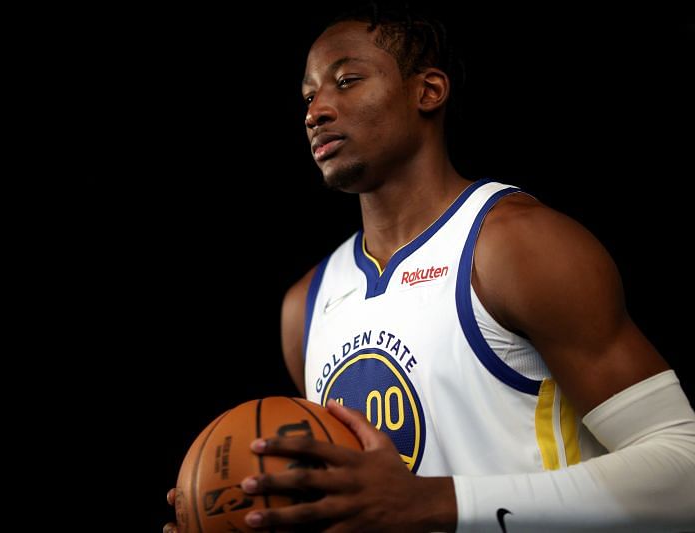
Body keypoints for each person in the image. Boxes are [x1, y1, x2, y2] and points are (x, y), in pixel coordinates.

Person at [165, 5, 695, 531]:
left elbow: (684, 472)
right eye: (308, 96)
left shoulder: (516, 245)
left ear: (429, 91)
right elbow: (359, 506)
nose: (315, 111)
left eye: (346, 81)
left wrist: (437, 504)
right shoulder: (305, 305)